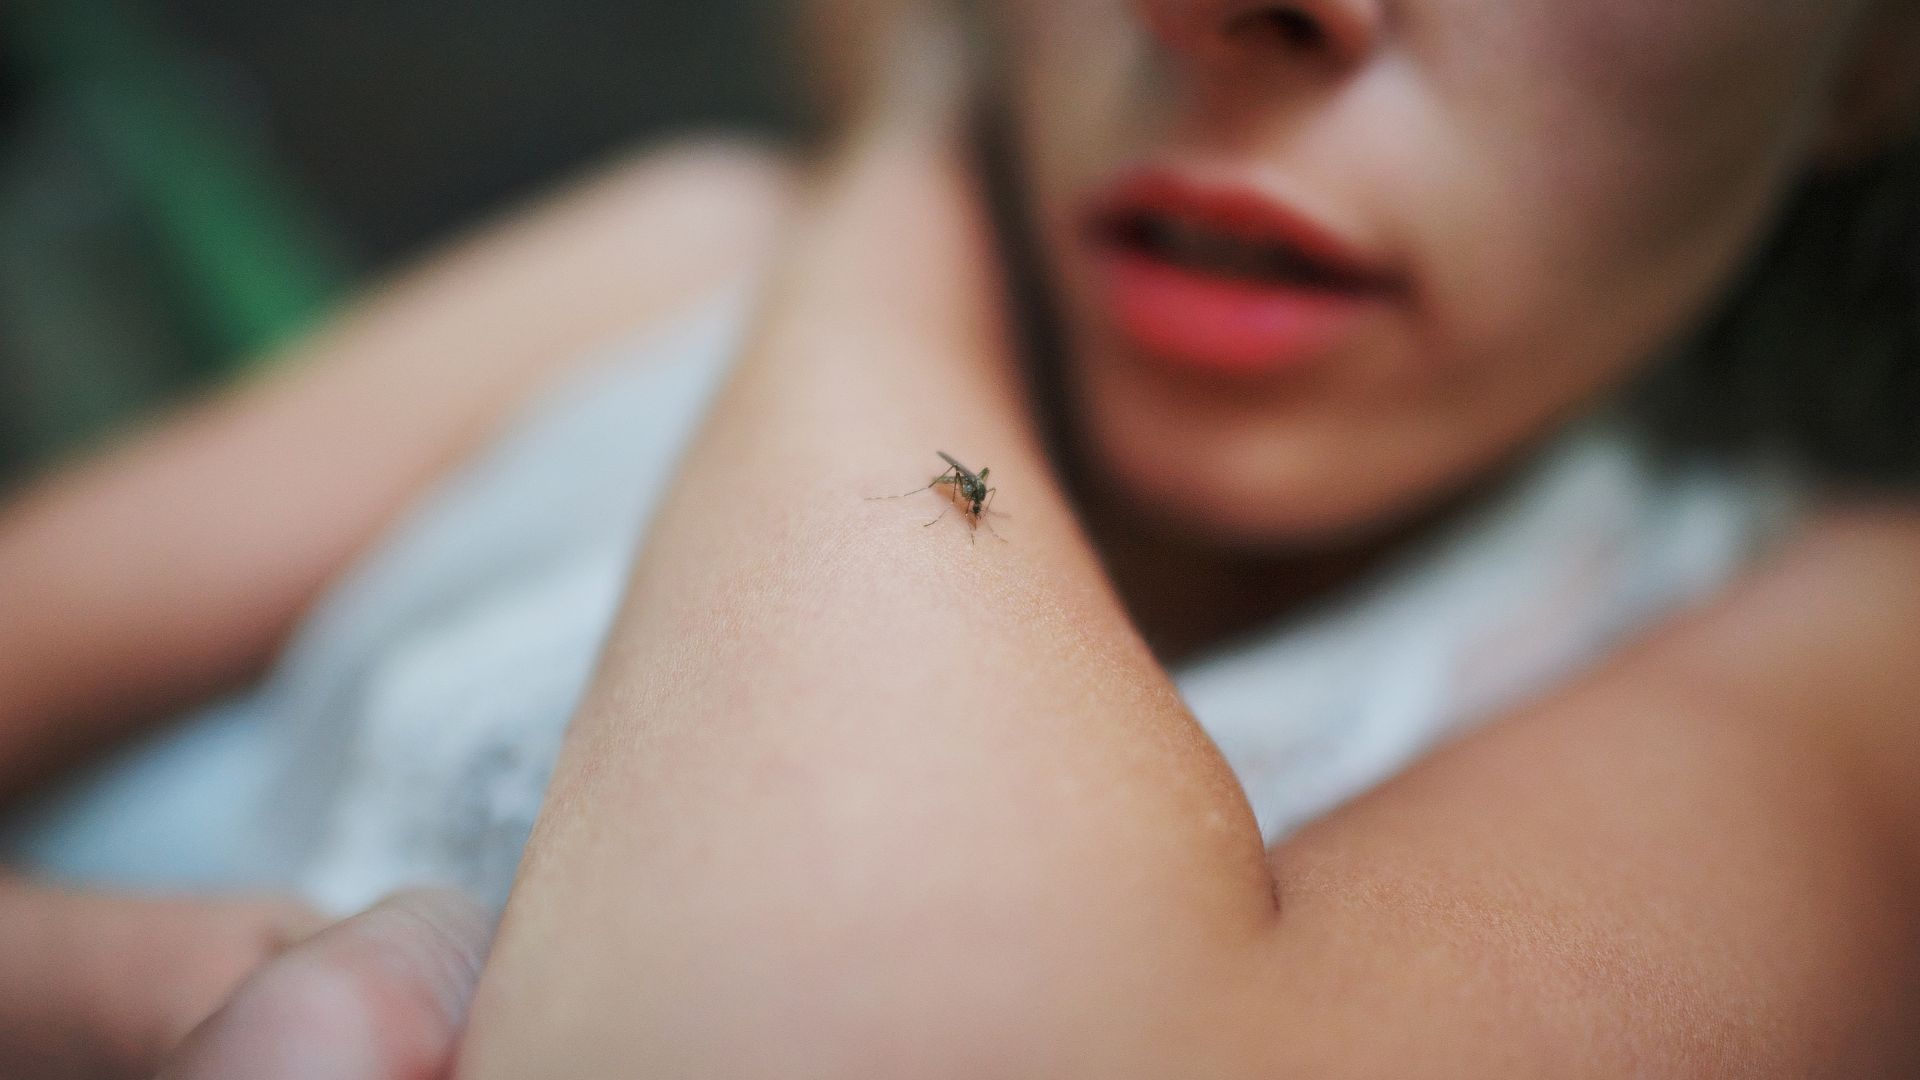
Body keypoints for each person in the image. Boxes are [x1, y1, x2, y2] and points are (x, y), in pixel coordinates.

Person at [4, 0, 1919, 1075]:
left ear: (1870, 56)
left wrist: (908, 153)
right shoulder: (670, 271)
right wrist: (131, 990)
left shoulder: (1839, 642)